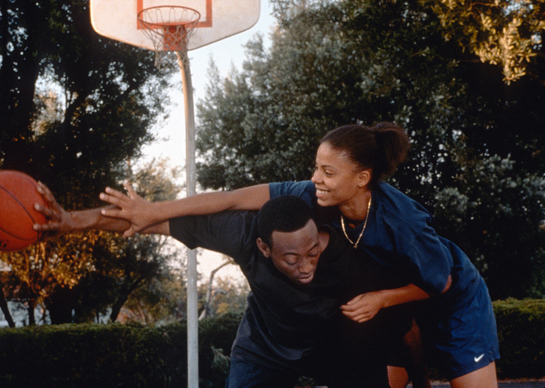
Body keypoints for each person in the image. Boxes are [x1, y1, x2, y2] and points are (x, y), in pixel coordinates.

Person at [96, 122, 499, 388]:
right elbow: (233, 199)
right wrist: (155, 210)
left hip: (451, 299)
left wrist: (379, 299)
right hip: (394, 300)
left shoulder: (403, 222)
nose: (314, 178)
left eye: (327, 171)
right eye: (316, 167)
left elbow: (440, 281)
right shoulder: (311, 196)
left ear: (362, 179)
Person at [34, 189, 410, 388]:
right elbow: (145, 222)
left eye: (313, 252)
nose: (306, 266)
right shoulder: (242, 234)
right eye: (291, 259)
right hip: (265, 347)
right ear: (263, 248)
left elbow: (427, 291)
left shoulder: (354, 257)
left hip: (337, 347)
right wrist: (71, 221)